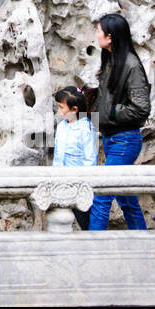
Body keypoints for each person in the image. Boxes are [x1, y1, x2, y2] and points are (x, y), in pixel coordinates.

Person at [88, 13, 149, 231]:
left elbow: (141, 108)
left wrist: (111, 113)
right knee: (126, 198)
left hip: (125, 140)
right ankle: (143, 245)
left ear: (110, 36)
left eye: (98, 30)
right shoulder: (110, 60)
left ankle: (91, 251)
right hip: (112, 138)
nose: (96, 34)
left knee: (102, 195)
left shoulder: (131, 65)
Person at [52, 85, 97, 230]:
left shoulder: (86, 129)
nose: (59, 111)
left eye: (61, 107)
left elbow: (90, 159)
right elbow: (58, 155)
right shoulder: (61, 127)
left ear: (75, 110)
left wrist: (84, 182)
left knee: (83, 219)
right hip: (60, 182)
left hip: (79, 184)